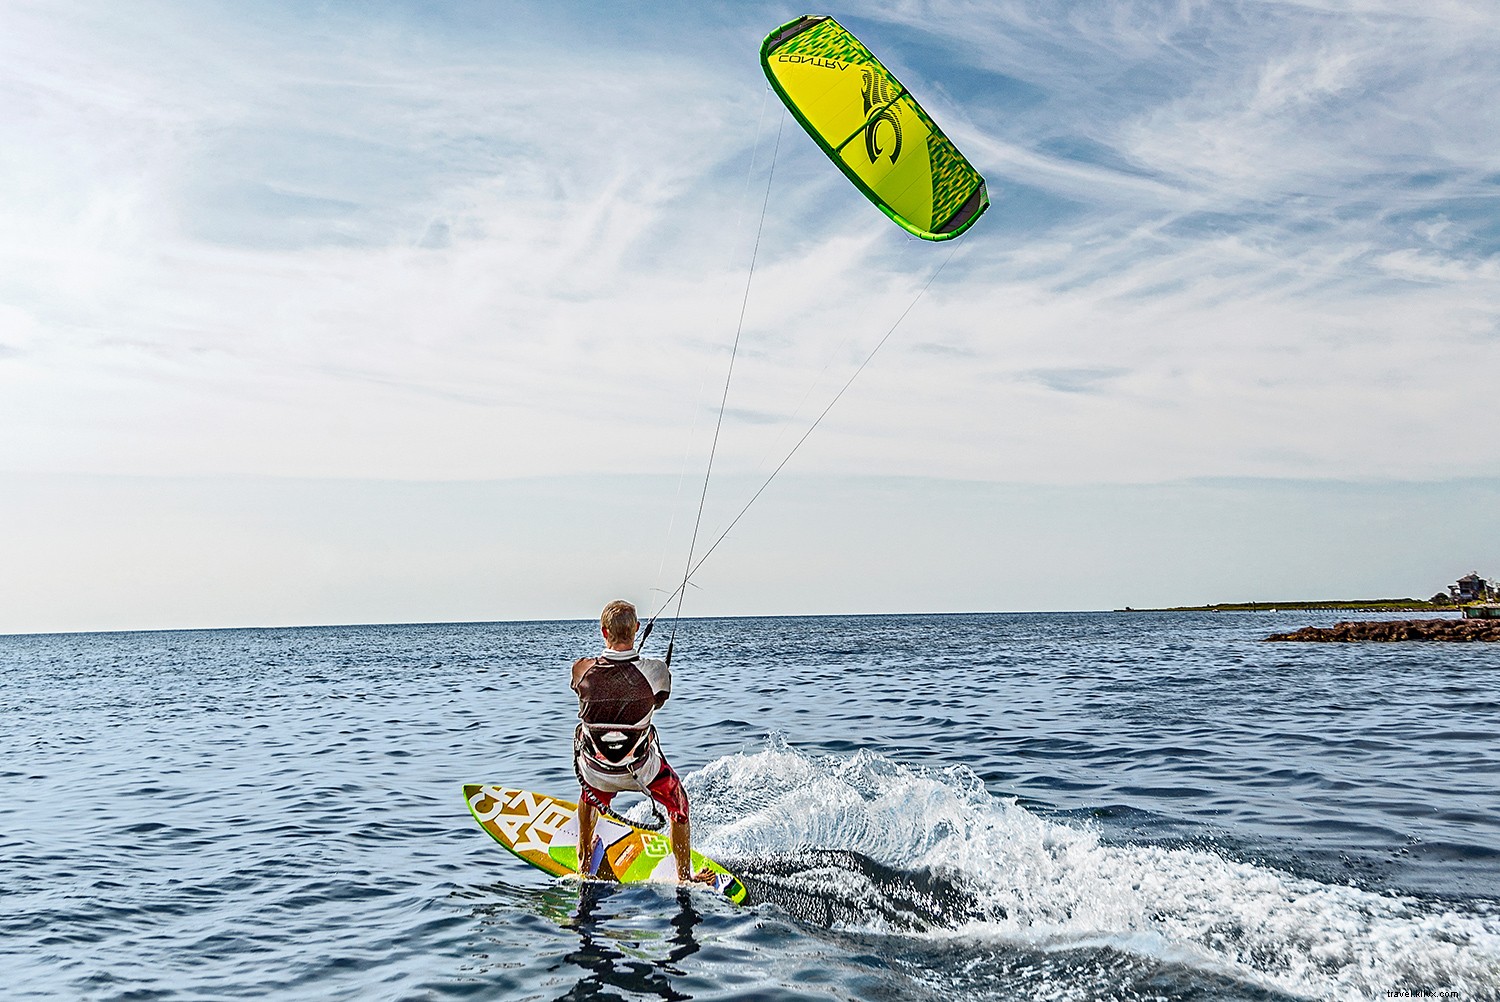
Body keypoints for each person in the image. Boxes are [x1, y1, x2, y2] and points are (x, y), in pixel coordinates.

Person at [572, 600, 712, 884]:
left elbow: (587, 688)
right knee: (679, 802)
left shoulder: (581, 670)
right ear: (636, 629)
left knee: (588, 797)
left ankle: (583, 866)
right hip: (640, 770)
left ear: (603, 632)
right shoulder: (656, 672)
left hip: (597, 772)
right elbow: (658, 700)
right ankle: (684, 877)